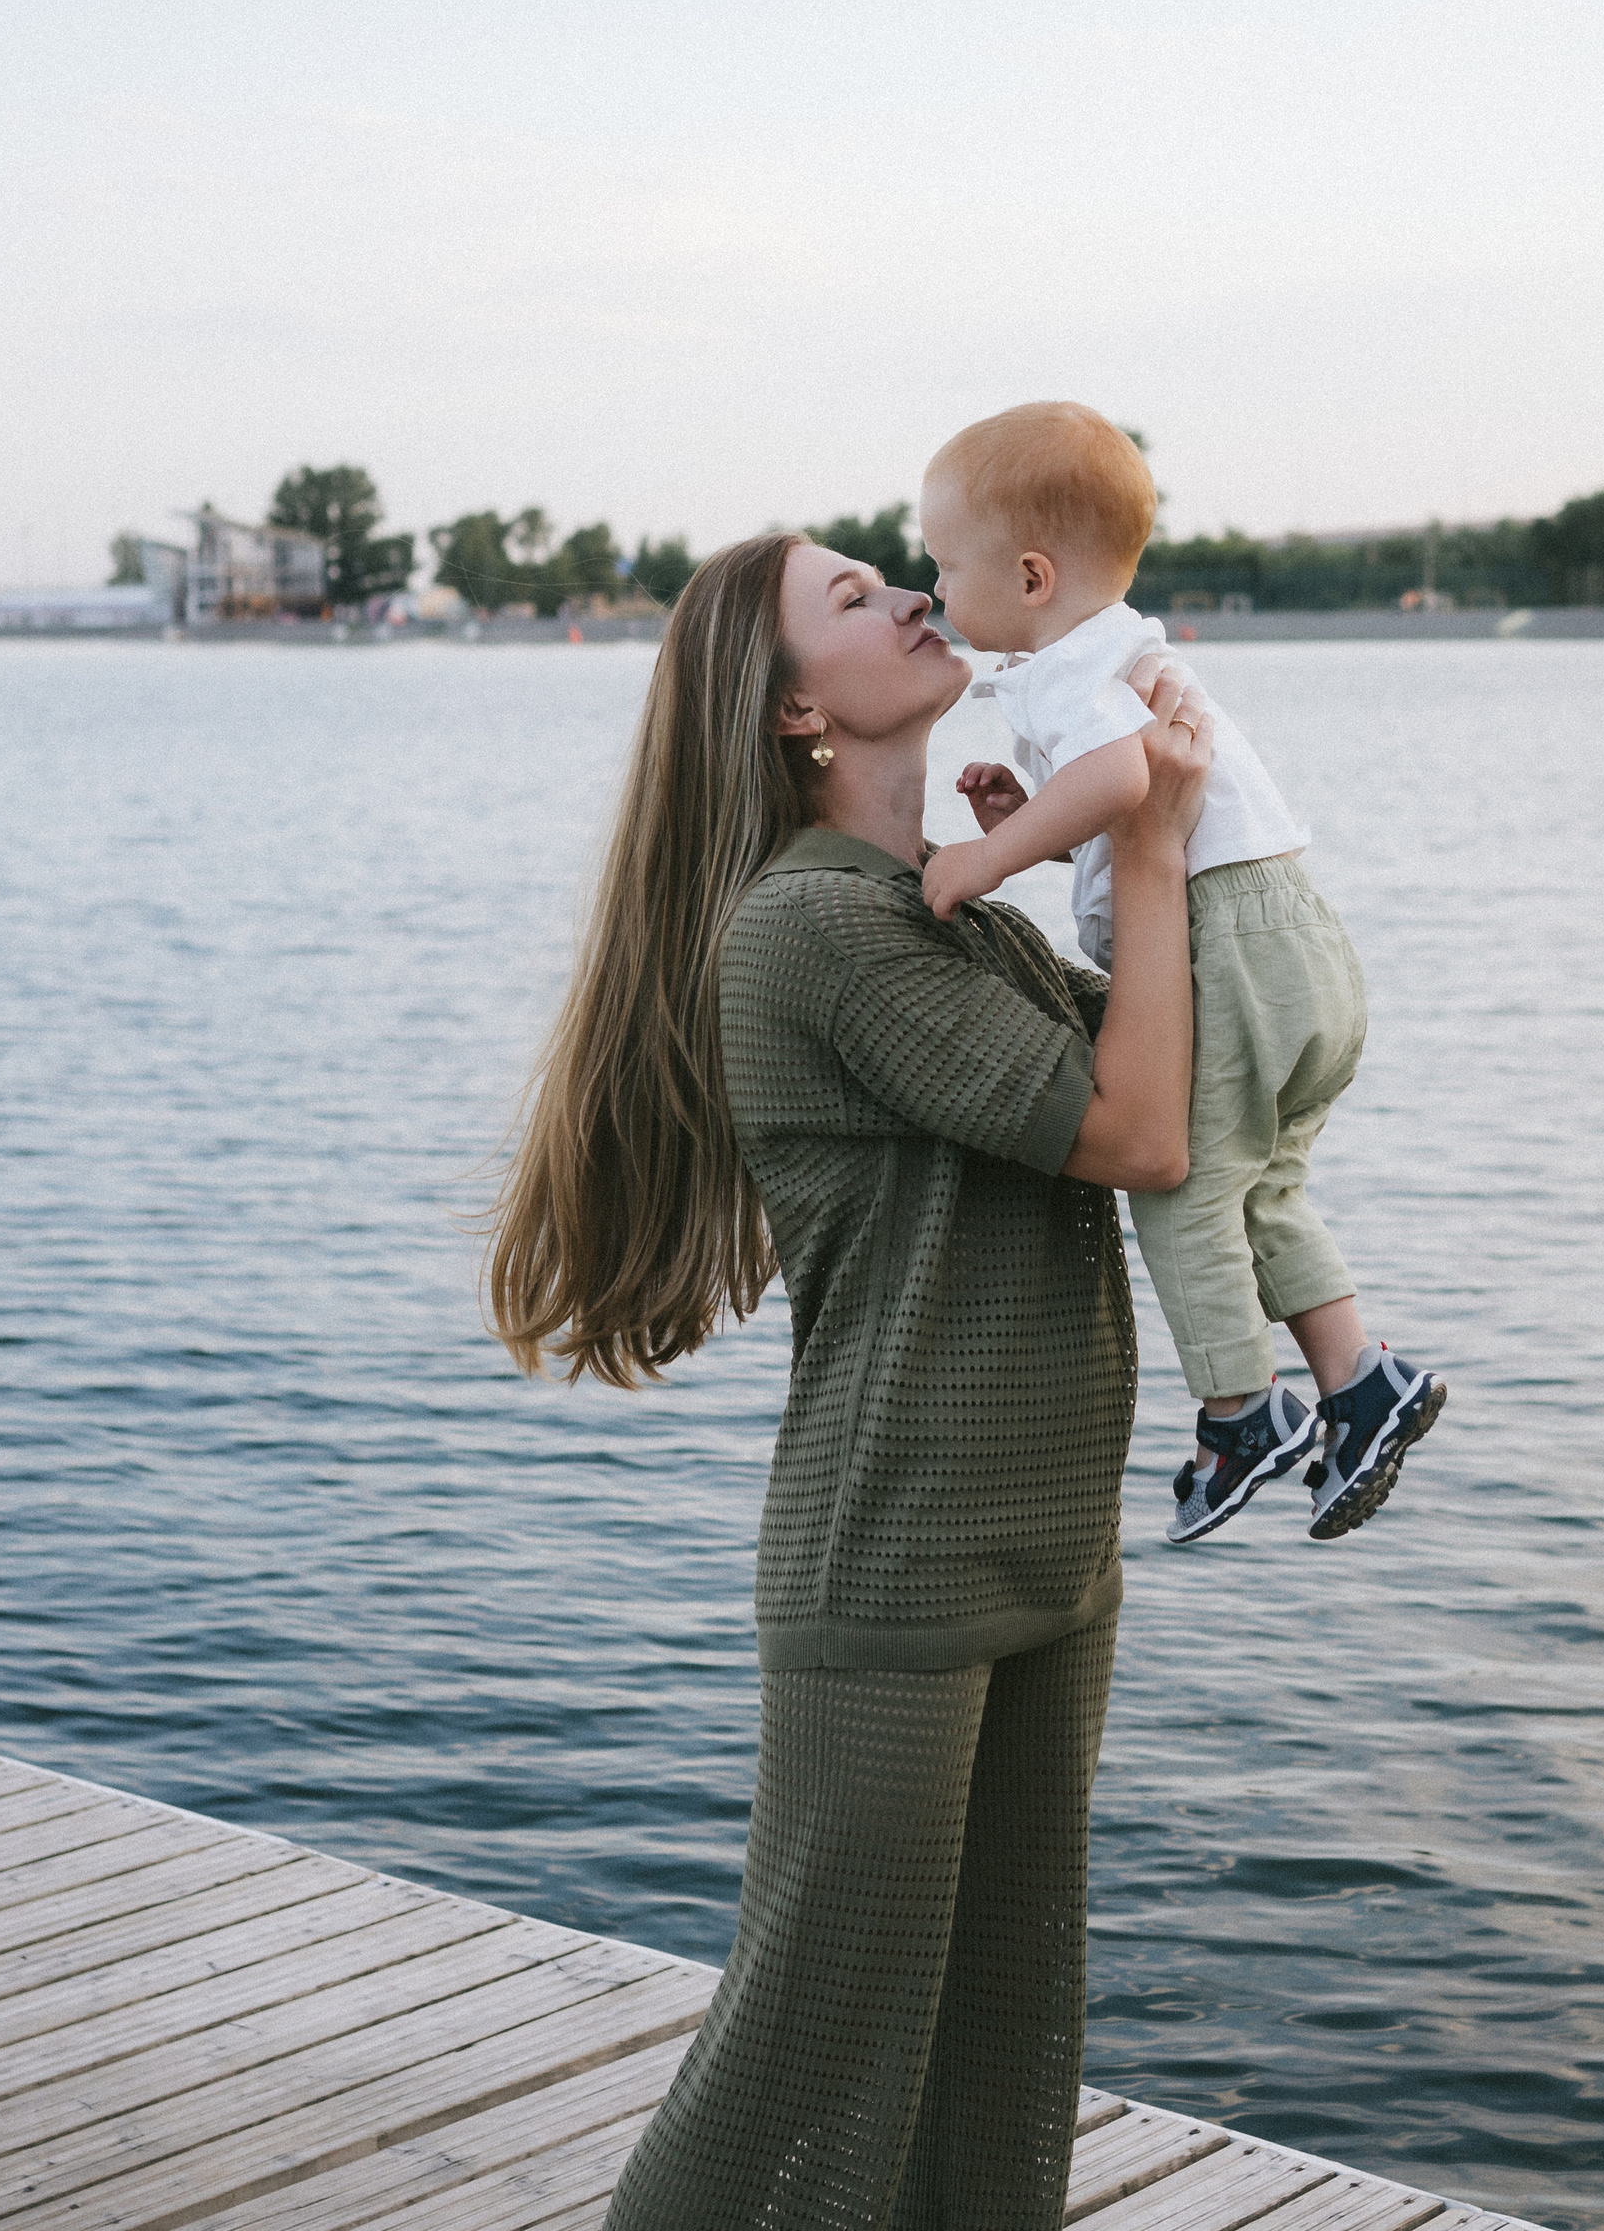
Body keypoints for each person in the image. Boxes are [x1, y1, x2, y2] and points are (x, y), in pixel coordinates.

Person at [487, 529, 1216, 2230]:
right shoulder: (812, 931)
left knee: (996, 2052)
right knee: (800, 2058)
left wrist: (1143, 818)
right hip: (893, 1561)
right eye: (850, 600)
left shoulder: (950, 913)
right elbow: (1144, 1132)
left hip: (1048, 1551)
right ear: (800, 712)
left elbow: (1189, 1058)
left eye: (891, 570)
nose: (907, 589)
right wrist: (1151, 837)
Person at [917, 402, 1445, 1546]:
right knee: (1263, 1188)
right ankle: (1360, 1382)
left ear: (1029, 574)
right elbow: (1132, 798)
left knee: (1180, 1188)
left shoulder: (1061, 673)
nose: (935, 592)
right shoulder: (1118, 650)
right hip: (1297, 941)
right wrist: (1049, 828)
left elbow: (1118, 779)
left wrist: (985, 859)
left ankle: (1241, 1413)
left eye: (944, 566)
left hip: (1230, 945)